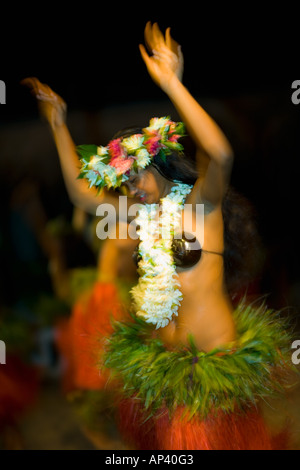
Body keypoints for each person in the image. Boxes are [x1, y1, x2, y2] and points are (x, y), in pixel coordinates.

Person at [23, 23, 295, 450]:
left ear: (163, 166)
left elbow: (221, 153)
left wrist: (173, 84)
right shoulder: (139, 217)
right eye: (124, 182)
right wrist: (58, 124)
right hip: (163, 362)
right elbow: (81, 194)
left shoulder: (200, 205)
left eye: (137, 176)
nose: (130, 189)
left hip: (212, 360)